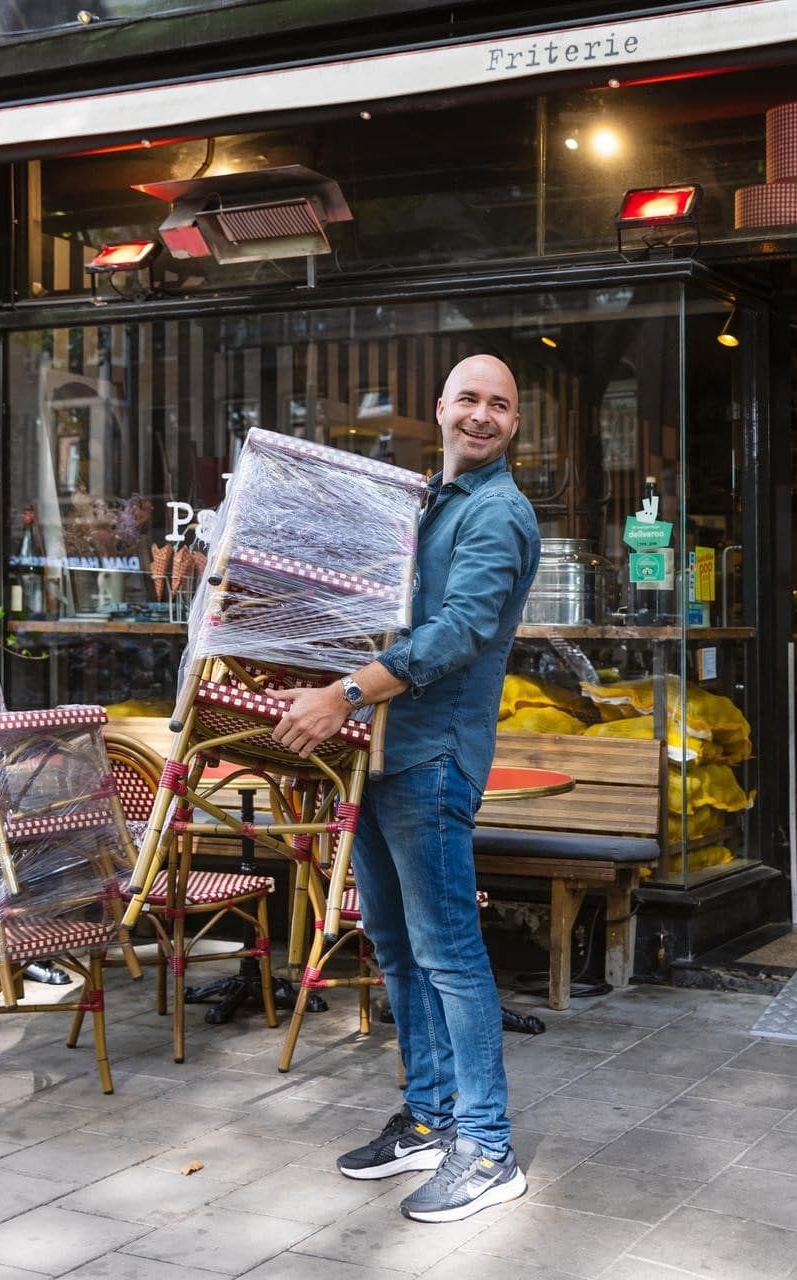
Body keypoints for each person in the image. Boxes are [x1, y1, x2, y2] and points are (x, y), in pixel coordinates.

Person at [268, 354, 540, 1224]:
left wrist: (343, 693)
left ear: (515, 424)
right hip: (382, 755)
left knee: (449, 953)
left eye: (500, 405)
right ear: (441, 408)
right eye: (470, 399)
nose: (482, 415)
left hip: (432, 758)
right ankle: (430, 1118)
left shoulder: (497, 512)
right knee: (394, 944)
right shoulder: (428, 502)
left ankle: (488, 1149)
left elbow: (460, 632)